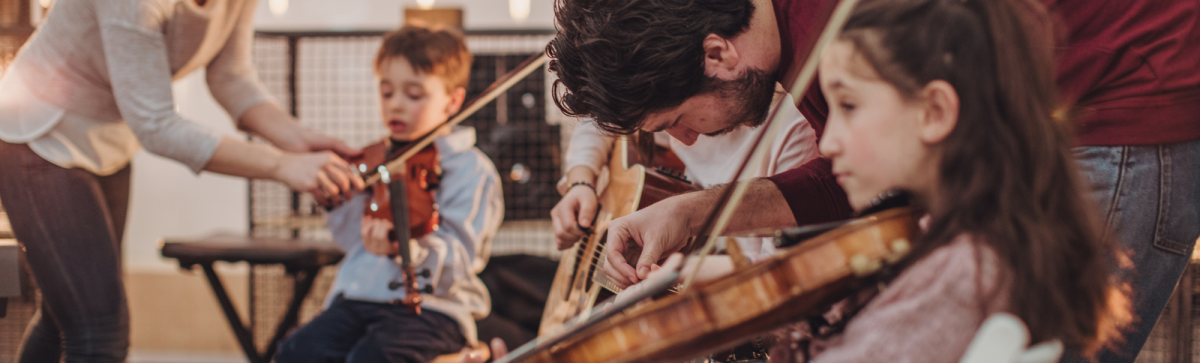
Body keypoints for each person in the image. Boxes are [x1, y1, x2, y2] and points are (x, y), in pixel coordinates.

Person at [549, 0, 1200, 360]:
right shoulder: (800, 31)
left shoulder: (835, 24)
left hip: (1119, 114)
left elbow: (862, 182)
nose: (685, 142)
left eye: (676, 121)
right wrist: (695, 212)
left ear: (718, 53)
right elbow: (856, 177)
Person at [0, 0, 362, 362]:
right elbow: (156, 126)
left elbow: (231, 75)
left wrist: (296, 138)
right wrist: (282, 165)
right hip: (38, 134)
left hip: (108, 143)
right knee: (99, 332)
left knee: (64, 317)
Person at [779, 0, 1128, 360]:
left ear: (935, 112)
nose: (827, 142)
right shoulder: (951, 241)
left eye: (848, 105)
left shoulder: (963, 274)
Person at [275, 25, 504, 363]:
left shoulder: (470, 169)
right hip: (360, 296)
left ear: (453, 101)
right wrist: (335, 202)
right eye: (386, 93)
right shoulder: (375, 160)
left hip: (433, 307)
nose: (395, 105)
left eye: (414, 95)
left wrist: (408, 250)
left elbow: (462, 259)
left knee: (374, 358)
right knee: (298, 351)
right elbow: (352, 240)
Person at [551, 87, 819, 271]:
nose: (684, 140)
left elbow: (786, 269)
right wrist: (581, 182)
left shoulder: (792, 128)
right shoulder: (678, 107)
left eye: (673, 120)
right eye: (663, 127)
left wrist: (689, 273)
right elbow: (598, 122)